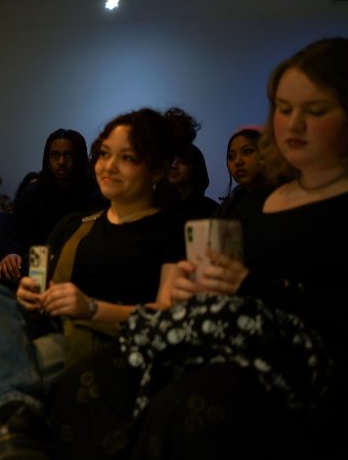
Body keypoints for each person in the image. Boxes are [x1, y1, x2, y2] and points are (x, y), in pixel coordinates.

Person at [49, 37, 348, 460]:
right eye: (283, 109)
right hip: (216, 337)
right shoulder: (257, 199)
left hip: (294, 362)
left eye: (315, 111)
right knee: (89, 383)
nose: (293, 125)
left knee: (186, 405)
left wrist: (252, 285)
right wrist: (198, 283)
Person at [0, 108, 196, 459]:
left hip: (109, 342)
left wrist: (92, 308)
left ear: (156, 169)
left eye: (127, 158)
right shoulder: (75, 224)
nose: (108, 166)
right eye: (105, 154)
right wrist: (32, 292)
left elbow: (170, 315)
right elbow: (39, 280)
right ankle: (12, 444)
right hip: (48, 327)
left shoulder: (172, 231)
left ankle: (12, 445)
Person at [0, 129, 102, 281]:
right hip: (35, 267)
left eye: (68, 155)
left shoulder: (95, 194)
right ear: (48, 158)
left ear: (79, 158)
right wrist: (10, 254)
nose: (61, 162)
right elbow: (16, 235)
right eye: (55, 155)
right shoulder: (31, 193)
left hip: (79, 268)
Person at [213, 126, 269, 219]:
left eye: (247, 151)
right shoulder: (233, 202)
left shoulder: (282, 198)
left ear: (266, 153)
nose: (237, 161)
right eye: (231, 156)